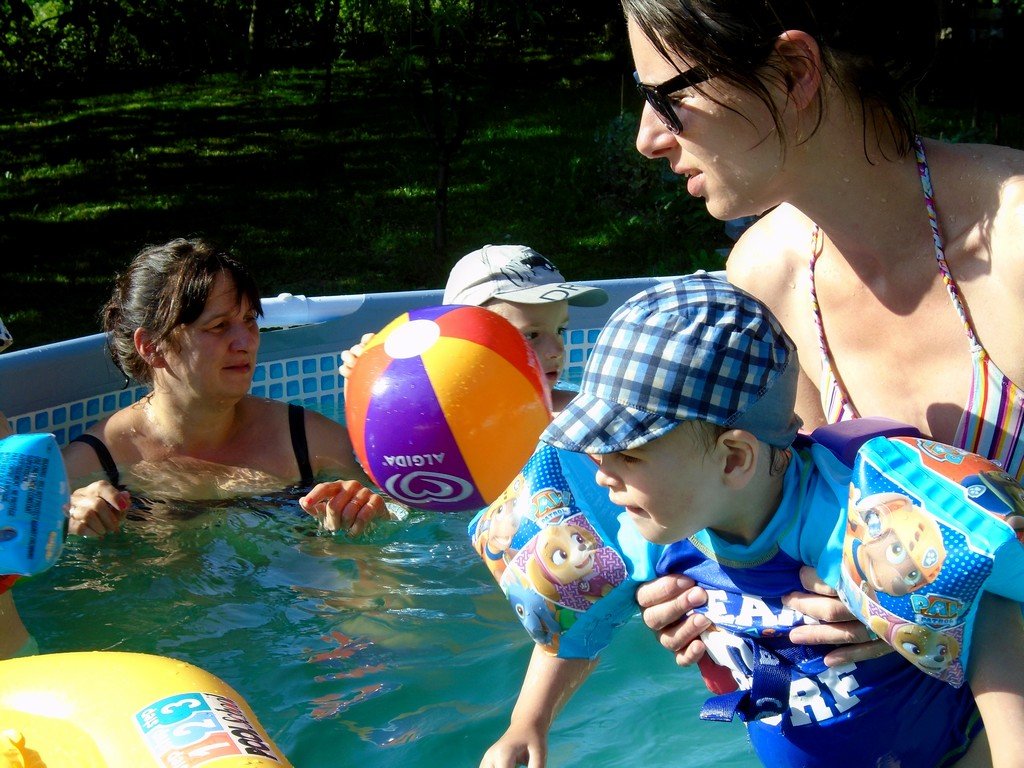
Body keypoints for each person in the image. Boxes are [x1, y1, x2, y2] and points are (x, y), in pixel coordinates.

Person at [622, 0, 1024, 684]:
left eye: (669, 96)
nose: (648, 137)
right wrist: (719, 587)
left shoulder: (1014, 241)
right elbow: (798, 521)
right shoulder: (766, 278)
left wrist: (932, 604)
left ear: (794, 70)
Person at [481, 274, 1023, 768]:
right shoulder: (653, 529)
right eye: (598, 450)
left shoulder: (850, 521)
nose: (603, 475)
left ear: (734, 459)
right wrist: (527, 724)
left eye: (627, 454)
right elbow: (583, 625)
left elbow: (990, 613)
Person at [62, 238, 386, 538]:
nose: (246, 342)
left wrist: (367, 509)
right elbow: (34, 538)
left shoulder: (306, 439)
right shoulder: (93, 463)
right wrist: (64, 520)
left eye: (249, 320)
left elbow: (402, 509)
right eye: (219, 326)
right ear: (152, 346)